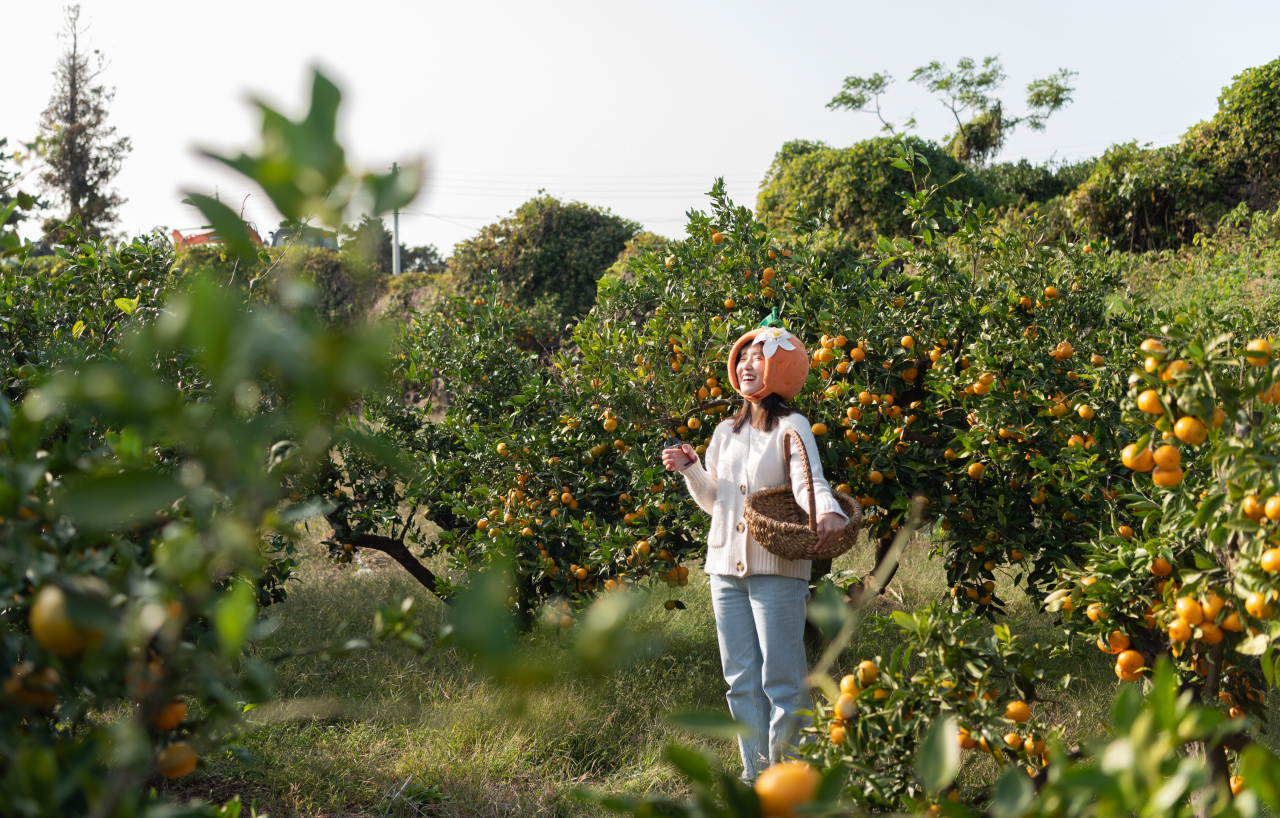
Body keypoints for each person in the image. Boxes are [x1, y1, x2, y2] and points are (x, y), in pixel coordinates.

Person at [662, 323, 850, 782]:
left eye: (758, 357)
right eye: (743, 355)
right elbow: (716, 502)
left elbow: (811, 481)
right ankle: (755, 776)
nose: (747, 364)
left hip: (778, 568)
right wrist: (692, 470)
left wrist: (826, 512)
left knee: (782, 680)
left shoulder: (793, 425)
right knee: (740, 679)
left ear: (781, 369)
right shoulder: (725, 430)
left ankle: (790, 780)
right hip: (724, 567)